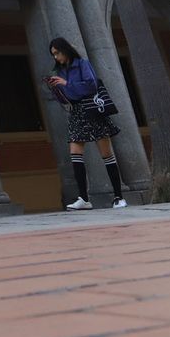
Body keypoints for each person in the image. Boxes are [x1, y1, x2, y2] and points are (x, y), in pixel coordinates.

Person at [46, 36, 127, 210]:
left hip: (92, 110)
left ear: (65, 50)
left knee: (106, 153)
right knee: (75, 153)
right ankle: (83, 198)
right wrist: (56, 88)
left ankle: (119, 196)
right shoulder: (60, 70)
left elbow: (91, 85)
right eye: (53, 54)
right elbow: (67, 95)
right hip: (75, 112)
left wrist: (67, 83)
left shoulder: (82, 64)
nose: (55, 57)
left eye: (57, 53)